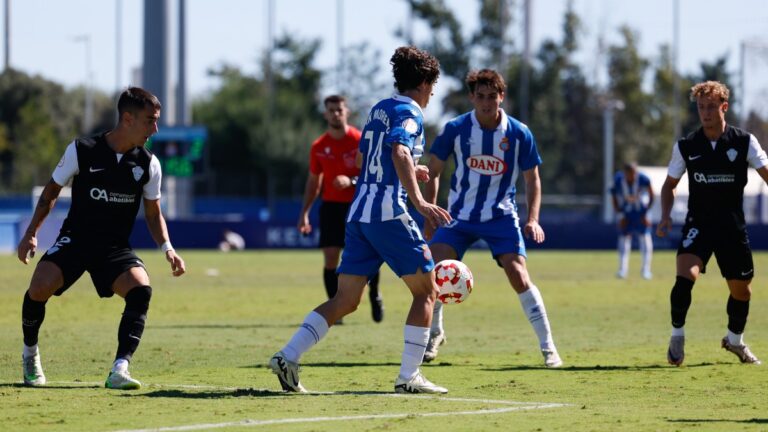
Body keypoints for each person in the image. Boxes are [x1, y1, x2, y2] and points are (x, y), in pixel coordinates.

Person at [269, 46, 452, 394]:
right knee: (428, 292)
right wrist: (420, 201)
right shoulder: (411, 112)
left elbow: (363, 158)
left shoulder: (379, 109)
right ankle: (409, 376)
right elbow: (398, 151)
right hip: (389, 213)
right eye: (432, 86)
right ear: (425, 82)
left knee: (345, 300)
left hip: (360, 213)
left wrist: (413, 169)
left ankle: (288, 355)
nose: (432, 94)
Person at [17, 86, 186, 390]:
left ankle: (119, 368)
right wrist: (31, 234)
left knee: (141, 289)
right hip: (76, 239)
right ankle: (30, 354)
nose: (155, 128)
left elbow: (152, 213)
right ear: (128, 119)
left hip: (114, 249)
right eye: (150, 120)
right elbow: (51, 192)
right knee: (39, 287)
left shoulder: (149, 165)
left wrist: (168, 248)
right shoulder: (82, 150)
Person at [422, 68, 562, 368]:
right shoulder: (456, 129)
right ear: (472, 97)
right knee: (434, 268)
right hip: (459, 215)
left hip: (501, 216)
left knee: (519, 275)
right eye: (480, 96)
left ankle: (548, 347)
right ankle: (434, 333)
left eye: (492, 96)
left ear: (502, 96)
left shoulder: (519, 133)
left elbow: (532, 179)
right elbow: (433, 171)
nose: (486, 102)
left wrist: (533, 218)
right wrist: (430, 211)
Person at [657, 80, 764, 366]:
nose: (705, 112)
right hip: (699, 225)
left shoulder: (744, 142)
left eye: (711, 107)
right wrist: (666, 216)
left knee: (741, 290)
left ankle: (735, 341)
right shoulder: (687, 146)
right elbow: (669, 186)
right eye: (701, 107)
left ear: (724, 107)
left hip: (732, 228)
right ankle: (677, 335)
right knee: (685, 277)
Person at [297, 95, 384, 323]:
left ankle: (374, 294)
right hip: (331, 208)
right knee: (330, 258)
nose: (336, 114)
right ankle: (336, 311)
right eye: (331, 110)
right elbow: (314, 182)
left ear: (347, 112)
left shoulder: (359, 139)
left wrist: (352, 181)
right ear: (325, 114)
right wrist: (304, 213)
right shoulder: (319, 146)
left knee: (369, 254)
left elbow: (373, 172)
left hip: (359, 204)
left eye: (339, 109)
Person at [611, 162, 655, 280]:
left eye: (634, 173)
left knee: (645, 238)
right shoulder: (618, 179)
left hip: (641, 212)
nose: (633, 176)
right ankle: (622, 270)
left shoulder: (643, 178)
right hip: (626, 213)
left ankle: (646, 270)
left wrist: (647, 213)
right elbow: (614, 197)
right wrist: (620, 215)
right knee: (624, 239)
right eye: (630, 173)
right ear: (625, 173)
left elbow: (652, 195)